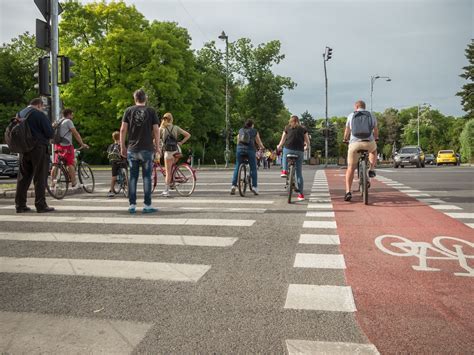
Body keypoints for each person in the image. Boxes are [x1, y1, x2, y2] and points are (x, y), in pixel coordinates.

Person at [120, 89, 161, 213]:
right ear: (145, 98)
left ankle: (132, 205)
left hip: (132, 149)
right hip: (147, 149)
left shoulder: (128, 111)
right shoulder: (151, 111)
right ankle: (147, 205)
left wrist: (122, 146)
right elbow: (156, 130)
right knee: (147, 177)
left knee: (132, 177)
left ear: (135, 98)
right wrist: (157, 146)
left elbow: (122, 130)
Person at [15, 98, 54, 213]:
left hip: (24, 148)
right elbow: (50, 133)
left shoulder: (20, 113)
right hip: (38, 148)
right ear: (39, 105)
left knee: (23, 177)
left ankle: (20, 205)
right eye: (42, 107)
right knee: (40, 176)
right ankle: (41, 205)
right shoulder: (39, 114)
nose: (43, 109)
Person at [343, 100, 379, 202]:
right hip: (369, 142)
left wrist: (345, 139)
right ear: (364, 107)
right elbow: (375, 130)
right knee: (374, 150)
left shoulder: (351, 115)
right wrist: (376, 138)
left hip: (354, 144)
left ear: (356, 107)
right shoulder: (371, 115)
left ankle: (348, 192)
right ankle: (371, 169)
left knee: (350, 168)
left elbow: (347, 131)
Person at [277, 115, 310, 201]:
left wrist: (279, 146)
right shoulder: (303, 129)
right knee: (299, 173)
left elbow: (283, 139)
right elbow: (307, 140)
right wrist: (307, 146)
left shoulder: (287, 127)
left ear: (290, 121)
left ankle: (284, 170)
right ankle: (301, 195)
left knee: (284, 153)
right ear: (298, 121)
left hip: (288, 149)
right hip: (299, 151)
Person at [52, 108, 89, 189]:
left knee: (56, 164)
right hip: (66, 146)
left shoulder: (58, 121)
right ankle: (74, 183)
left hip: (57, 145)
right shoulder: (68, 121)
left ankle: (52, 184)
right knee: (70, 163)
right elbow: (75, 133)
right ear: (69, 114)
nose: (73, 116)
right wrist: (82, 144)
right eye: (72, 114)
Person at [159, 112, 191, 197]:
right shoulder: (176, 127)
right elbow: (188, 135)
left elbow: (155, 139)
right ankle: (172, 181)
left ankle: (166, 191)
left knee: (168, 172)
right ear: (171, 119)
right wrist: (181, 142)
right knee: (171, 168)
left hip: (168, 153)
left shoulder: (162, 128)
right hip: (176, 152)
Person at [230, 119, 265, 195]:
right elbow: (258, 142)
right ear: (252, 125)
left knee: (237, 166)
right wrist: (262, 147)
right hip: (250, 150)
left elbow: (238, 140)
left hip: (240, 149)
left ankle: (233, 186)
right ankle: (255, 187)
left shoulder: (240, 130)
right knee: (253, 168)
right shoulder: (254, 131)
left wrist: (238, 148)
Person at [106, 131, 127, 197]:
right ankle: (127, 187)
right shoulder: (122, 145)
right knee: (126, 174)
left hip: (114, 163)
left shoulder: (111, 146)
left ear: (113, 138)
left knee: (114, 177)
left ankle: (111, 190)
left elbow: (108, 154)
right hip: (122, 161)